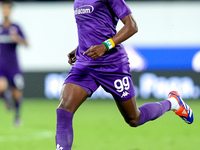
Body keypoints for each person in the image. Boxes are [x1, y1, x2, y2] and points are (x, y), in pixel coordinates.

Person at [55, 0, 194, 149]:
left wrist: (105, 46)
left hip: (112, 64)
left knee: (134, 118)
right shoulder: (78, 1)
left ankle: (172, 103)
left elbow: (132, 26)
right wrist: (78, 49)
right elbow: (93, 29)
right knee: (64, 110)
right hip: (86, 64)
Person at [0, 0, 28, 126]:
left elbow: (27, 44)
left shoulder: (15, 27)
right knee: (1, 87)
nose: (5, 11)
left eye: (7, 9)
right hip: (1, 65)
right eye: (3, 9)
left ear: (10, 11)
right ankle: (6, 98)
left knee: (17, 93)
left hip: (13, 66)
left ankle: (17, 116)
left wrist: (17, 39)